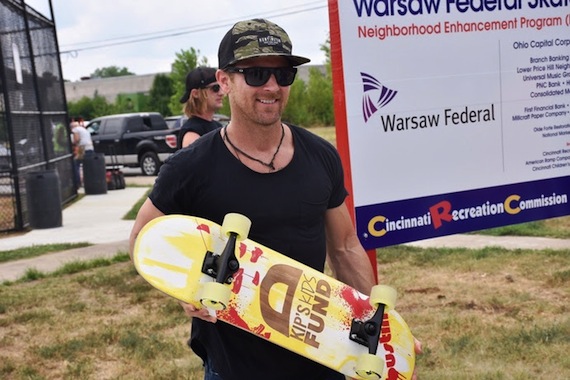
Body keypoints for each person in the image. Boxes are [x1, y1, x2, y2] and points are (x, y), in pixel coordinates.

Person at [129, 18, 420, 380]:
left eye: (283, 76)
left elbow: (344, 246)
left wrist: (383, 331)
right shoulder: (191, 167)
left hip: (320, 355)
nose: (272, 86)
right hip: (235, 366)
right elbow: (143, 237)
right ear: (225, 81)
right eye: (255, 74)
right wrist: (185, 290)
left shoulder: (320, 156)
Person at [177, 66, 225, 149]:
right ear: (196, 93)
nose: (221, 93)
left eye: (221, 87)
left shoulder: (218, 126)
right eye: (215, 88)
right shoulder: (192, 133)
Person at [71, 119, 94, 187]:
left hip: (82, 148)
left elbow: (77, 139)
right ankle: (89, 180)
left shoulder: (75, 129)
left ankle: (78, 182)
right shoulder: (85, 130)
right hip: (90, 147)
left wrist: (73, 144)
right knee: (88, 165)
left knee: (75, 163)